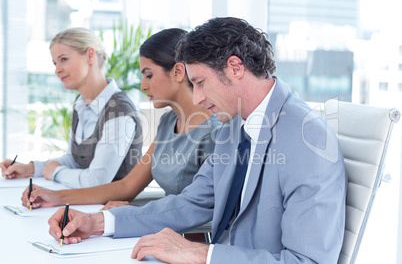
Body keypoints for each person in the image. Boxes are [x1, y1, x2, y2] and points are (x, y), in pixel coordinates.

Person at [48, 17, 347, 264]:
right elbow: (191, 204)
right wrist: (99, 223)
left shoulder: (308, 138)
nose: (199, 98)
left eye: (200, 83)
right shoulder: (234, 126)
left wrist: (201, 254)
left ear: (235, 67)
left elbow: (308, 261)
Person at [21, 28, 221, 210]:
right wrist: (55, 197)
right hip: (165, 231)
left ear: (178, 72)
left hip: (185, 240)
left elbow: (199, 210)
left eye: (149, 75)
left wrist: (128, 214)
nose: (142, 86)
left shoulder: (213, 132)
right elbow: (128, 185)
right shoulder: (169, 122)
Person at [0, 28, 143, 188]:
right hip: (85, 206)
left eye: (63, 59)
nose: (57, 70)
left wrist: (56, 172)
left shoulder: (119, 111)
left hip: (109, 209)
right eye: (55, 63)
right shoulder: (80, 104)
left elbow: (97, 181)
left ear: (90, 55)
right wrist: (30, 169)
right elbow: (74, 160)